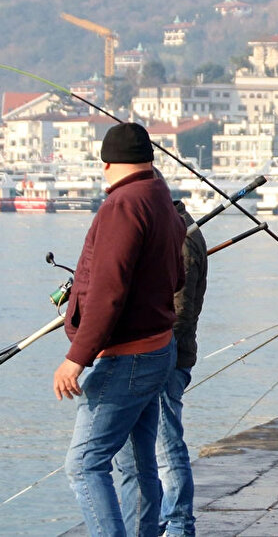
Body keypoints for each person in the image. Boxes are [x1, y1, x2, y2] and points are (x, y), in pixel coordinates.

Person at [55, 122, 186, 536]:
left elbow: (108, 292)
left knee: (84, 464)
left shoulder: (122, 205)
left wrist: (76, 359)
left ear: (107, 164)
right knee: (137, 462)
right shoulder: (161, 197)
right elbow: (178, 276)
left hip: (128, 358)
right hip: (159, 349)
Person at [119, 195, 208, 537]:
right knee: (151, 446)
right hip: (164, 354)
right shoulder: (175, 231)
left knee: (166, 446)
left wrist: (160, 355)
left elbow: (180, 312)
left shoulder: (181, 239)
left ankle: (179, 524)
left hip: (167, 358)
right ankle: (157, 521)